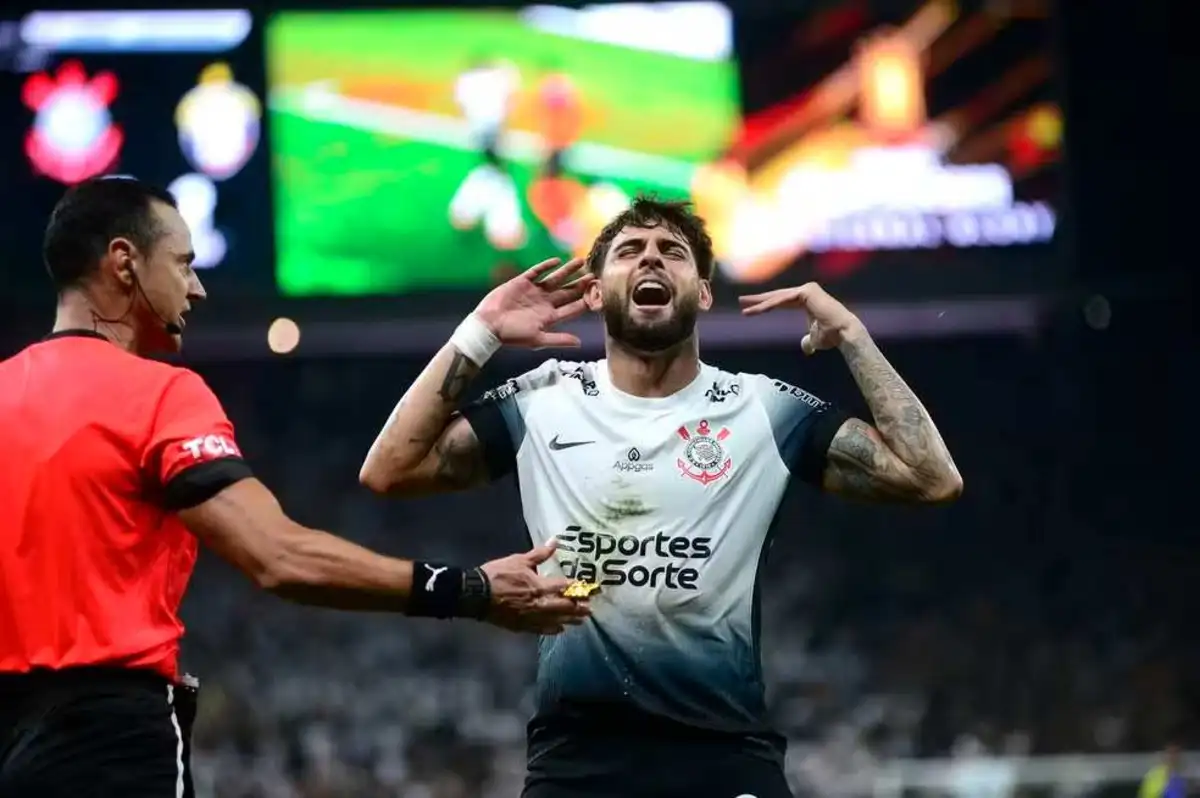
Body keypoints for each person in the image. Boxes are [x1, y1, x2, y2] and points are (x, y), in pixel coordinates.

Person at [0, 177, 590, 798]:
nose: (197, 289)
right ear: (124, 262)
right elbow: (281, 559)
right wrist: (471, 589)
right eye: (183, 265)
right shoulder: (156, 394)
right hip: (104, 743)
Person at [360, 196, 962, 798]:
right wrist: (480, 333)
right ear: (595, 292)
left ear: (702, 292)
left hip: (724, 756)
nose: (650, 259)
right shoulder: (542, 398)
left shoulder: (762, 407)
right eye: (630, 251)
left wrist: (854, 337)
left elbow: (932, 478)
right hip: (577, 762)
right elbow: (389, 469)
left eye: (671, 252)